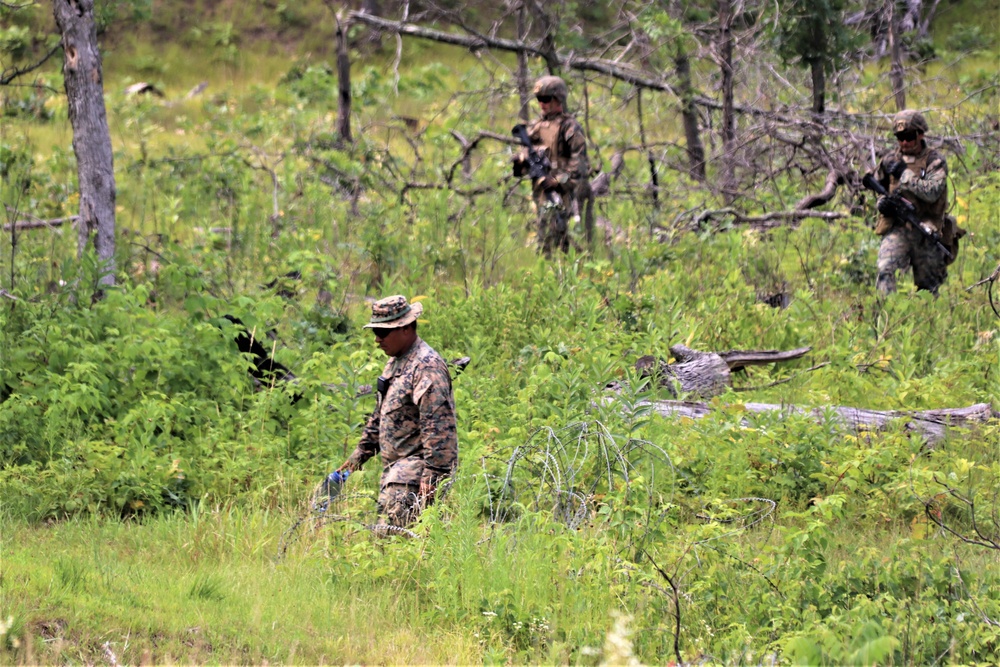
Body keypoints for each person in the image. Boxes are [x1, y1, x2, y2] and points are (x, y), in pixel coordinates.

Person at [337, 295, 458, 530]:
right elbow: (382, 413)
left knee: (400, 546)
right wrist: (361, 452)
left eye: (383, 333)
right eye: (375, 333)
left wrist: (433, 476)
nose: (377, 340)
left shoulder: (426, 367)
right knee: (389, 550)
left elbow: (440, 427)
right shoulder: (396, 362)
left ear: (405, 328)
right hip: (396, 474)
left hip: (414, 475)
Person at [871, 109, 957, 296]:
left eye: (909, 136)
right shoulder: (890, 159)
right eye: (900, 137)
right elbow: (878, 186)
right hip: (898, 228)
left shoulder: (935, 161)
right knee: (885, 269)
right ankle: (887, 317)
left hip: (927, 229)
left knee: (929, 288)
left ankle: (928, 322)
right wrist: (882, 203)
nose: (904, 142)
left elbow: (932, 192)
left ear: (920, 135)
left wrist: (905, 174)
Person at [513, 75, 589, 257]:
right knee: (544, 236)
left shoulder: (569, 127)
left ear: (558, 99)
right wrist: (521, 161)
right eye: (539, 99)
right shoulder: (536, 127)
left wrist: (557, 180)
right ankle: (548, 272)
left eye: (546, 99)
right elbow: (525, 157)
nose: (542, 104)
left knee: (560, 237)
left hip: (561, 194)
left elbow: (580, 164)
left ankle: (566, 270)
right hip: (540, 192)